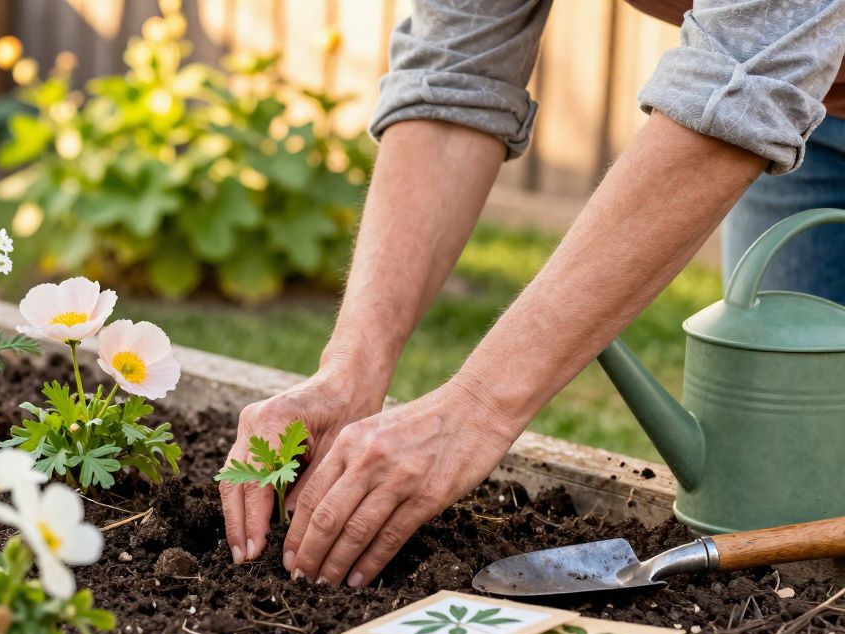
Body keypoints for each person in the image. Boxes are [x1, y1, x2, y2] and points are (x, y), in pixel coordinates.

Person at [216, 0, 845, 587]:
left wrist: (475, 409)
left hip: (781, 90)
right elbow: (455, 71)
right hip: (812, 112)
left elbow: (740, 82)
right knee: (792, 503)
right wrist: (350, 369)